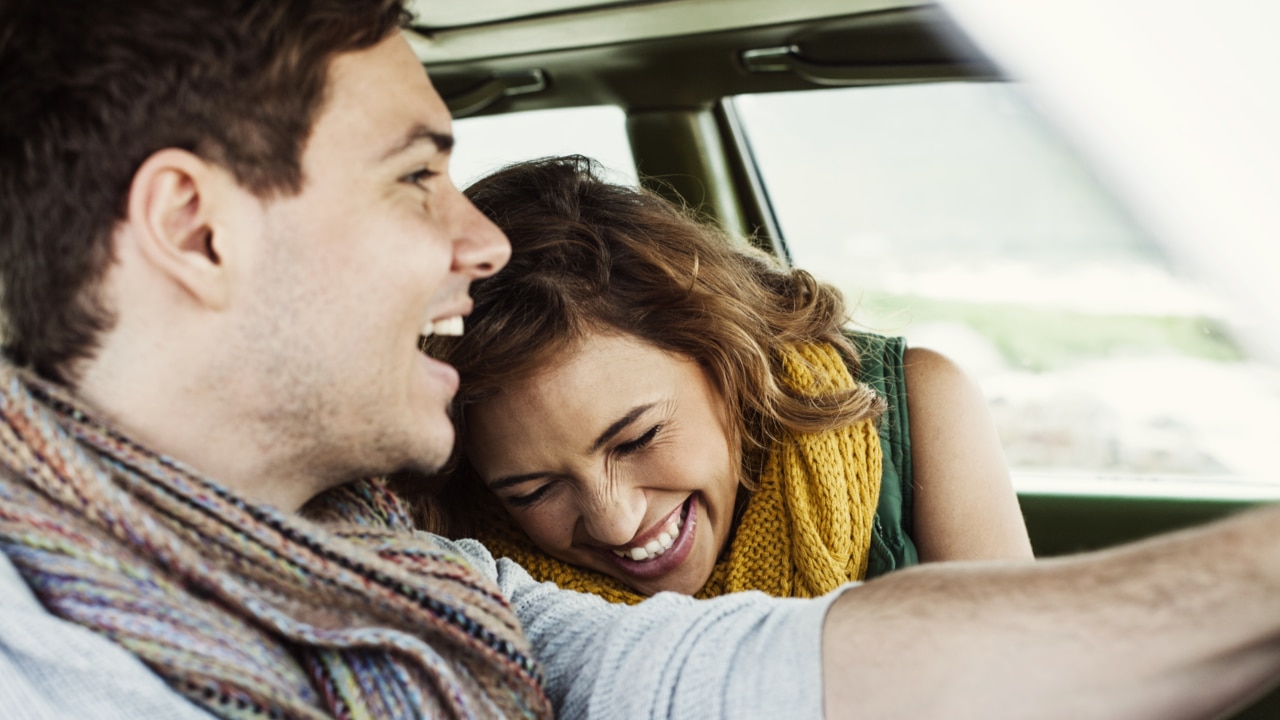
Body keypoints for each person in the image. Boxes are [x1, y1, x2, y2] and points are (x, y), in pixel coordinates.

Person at [3, 2, 1280, 719]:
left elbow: (729, 673)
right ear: (197, 229)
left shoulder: (396, 566)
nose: (476, 239)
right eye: (415, 180)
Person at [421, 155, 1032, 603]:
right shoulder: (456, 553)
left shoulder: (922, 406)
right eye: (533, 492)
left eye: (636, 440)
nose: (614, 522)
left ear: (723, 353)